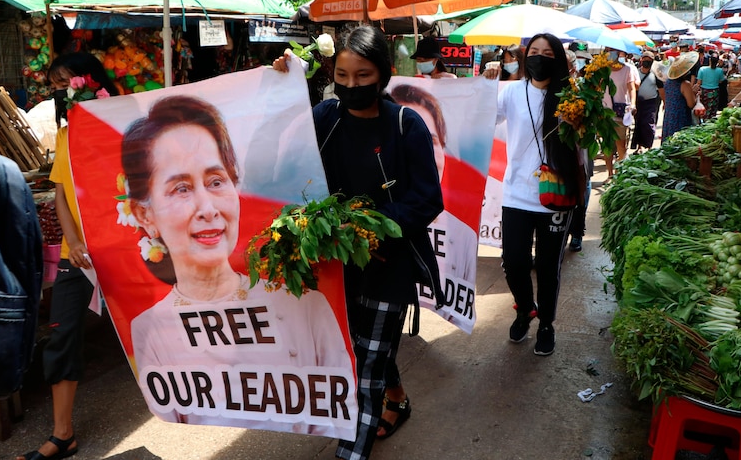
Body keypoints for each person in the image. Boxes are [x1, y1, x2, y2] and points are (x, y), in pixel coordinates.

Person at [122, 95, 352, 436]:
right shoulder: (150, 330)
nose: (208, 208)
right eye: (181, 188)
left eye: (216, 181)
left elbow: (336, 411)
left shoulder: (304, 304)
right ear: (145, 214)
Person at [276, 25, 444, 459]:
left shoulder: (408, 127)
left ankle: (352, 451)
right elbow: (279, 142)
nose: (351, 86)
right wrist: (276, 86)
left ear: (384, 75)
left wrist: (368, 225)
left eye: (363, 76)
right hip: (336, 265)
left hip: (390, 266)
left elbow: (428, 200)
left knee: (364, 368)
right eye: (343, 76)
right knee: (362, 347)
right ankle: (399, 400)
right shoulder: (325, 118)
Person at [16, 52, 119, 460]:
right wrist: (74, 242)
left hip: (128, 249)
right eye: (55, 85)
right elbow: (60, 196)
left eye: (66, 83)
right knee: (61, 331)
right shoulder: (64, 137)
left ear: (91, 82)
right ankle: (63, 434)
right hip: (80, 256)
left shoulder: (121, 127)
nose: (60, 92)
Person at [496, 33, 585, 356]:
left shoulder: (571, 96)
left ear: (558, 59)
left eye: (547, 53)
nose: (539, 58)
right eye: (533, 52)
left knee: (549, 267)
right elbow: (481, 119)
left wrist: (577, 121)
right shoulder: (511, 93)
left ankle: (546, 323)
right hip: (516, 193)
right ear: (524, 57)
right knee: (514, 261)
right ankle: (524, 308)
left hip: (556, 194)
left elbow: (586, 144)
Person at [388, 83, 476, 284]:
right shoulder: (371, 217)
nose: (419, 150)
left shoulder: (464, 237)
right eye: (405, 136)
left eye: (431, 140)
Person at [601, 48, 637, 177]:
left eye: (613, 51)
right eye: (608, 50)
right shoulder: (601, 70)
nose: (611, 53)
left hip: (621, 114)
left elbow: (632, 88)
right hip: (604, 113)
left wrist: (633, 104)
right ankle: (610, 174)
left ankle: (619, 174)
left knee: (621, 146)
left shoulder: (627, 69)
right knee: (607, 146)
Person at [631, 51, 664, 152]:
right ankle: (639, 147)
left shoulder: (656, 75)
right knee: (639, 124)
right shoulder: (635, 72)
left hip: (651, 103)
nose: (646, 62)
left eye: (649, 60)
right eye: (644, 59)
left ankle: (649, 147)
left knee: (649, 124)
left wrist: (665, 102)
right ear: (641, 60)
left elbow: (661, 89)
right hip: (638, 103)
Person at [662, 51, 699, 140]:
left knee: (669, 143)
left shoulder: (667, 82)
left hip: (669, 116)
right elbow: (691, 104)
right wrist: (695, 94)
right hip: (680, 117)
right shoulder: (685, 84)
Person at [696, 53, 725, 120]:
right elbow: (721, 81)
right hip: (715, 92)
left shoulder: (702, 69)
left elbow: (699, 82)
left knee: (704, 110)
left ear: (709, 60)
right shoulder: (720, 70)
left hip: (704, 92)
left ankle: (703, 122)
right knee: (713, 110)